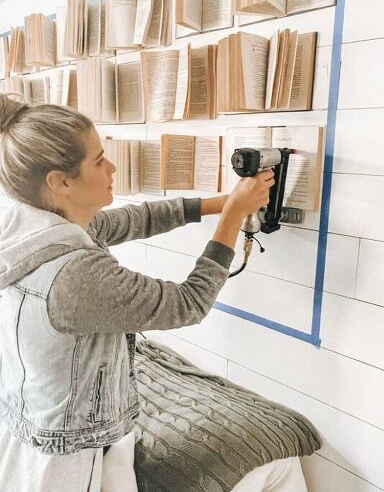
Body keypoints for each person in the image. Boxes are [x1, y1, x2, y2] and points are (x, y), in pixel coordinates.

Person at [0, 94, 274, 492]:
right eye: (98, 160)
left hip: (28, 427)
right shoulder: (76, 273)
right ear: (60, 182)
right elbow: (188, 304)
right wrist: (232, 217)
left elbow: (134, 219)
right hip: (70, 457)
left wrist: (221, 203)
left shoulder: (30, 229)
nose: (111, 167)